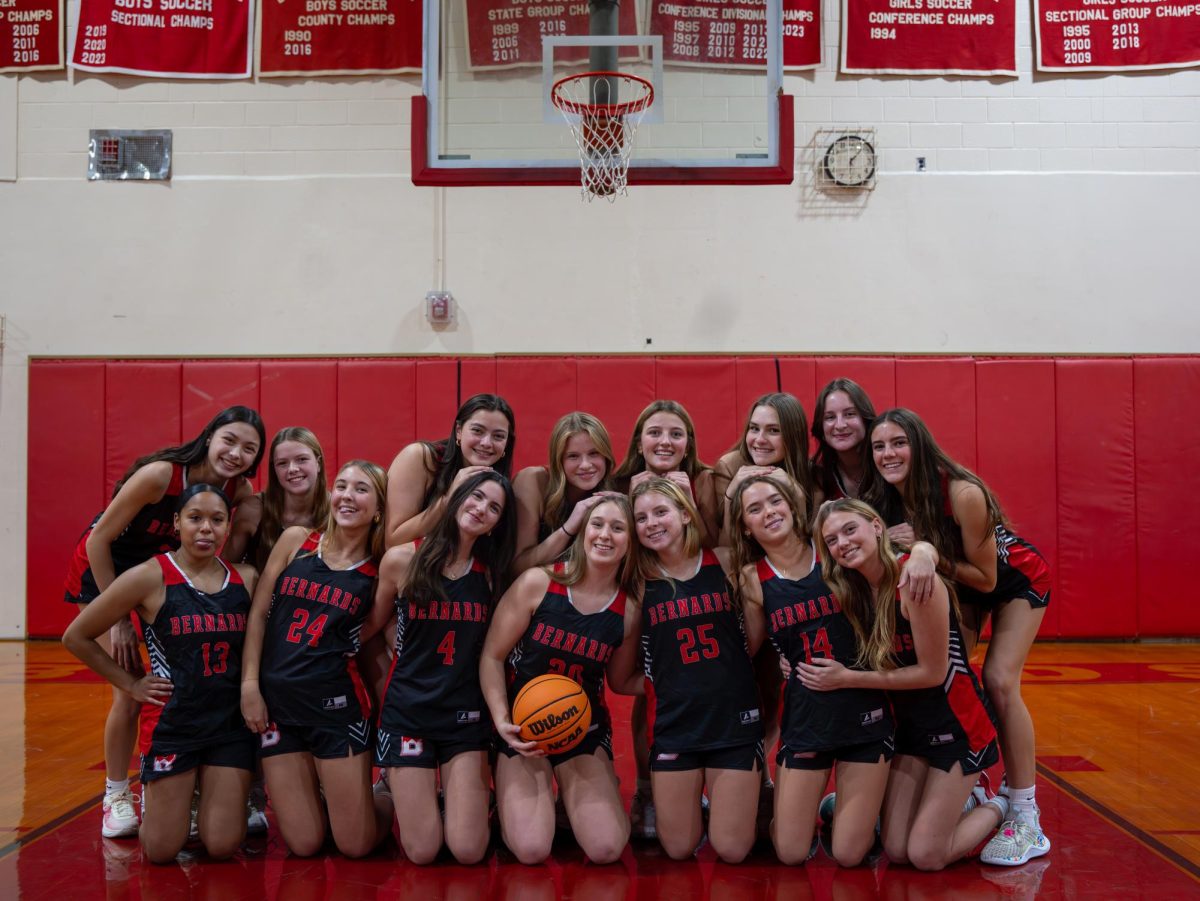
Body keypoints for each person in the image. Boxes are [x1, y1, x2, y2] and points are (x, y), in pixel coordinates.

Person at [63, 405, 265, 839]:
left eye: (249, 449)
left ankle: (197, 790)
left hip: (168, 571)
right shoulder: (161, 476)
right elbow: (99, 538)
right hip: (106, 569)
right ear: (210, 435)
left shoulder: (240, 489)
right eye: (229, 440)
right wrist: (118, 617)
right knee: (132, 688)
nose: (236, 453)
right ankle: (116, 793)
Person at [864, 408, 1052, 866]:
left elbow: (986, 580)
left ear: (920, 444)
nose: (888, 454)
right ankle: (962, 786)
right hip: (957, 583)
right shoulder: (883, 496)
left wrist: (927, 549)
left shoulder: (962, 492)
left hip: (1012, 582)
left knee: (999, 681)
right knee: (948, 678)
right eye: (879, 446)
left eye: (898, 443)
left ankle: (1025, 811)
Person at [802, 499, 1008, 872]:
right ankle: (953, 803)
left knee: (926, 856)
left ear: (876, 526)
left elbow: (931, 673)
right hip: (908, 732)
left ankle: (998, 804)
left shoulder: (913, 580)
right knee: (896, 850)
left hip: (957, 726)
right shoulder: (854, 589)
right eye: (831, 539)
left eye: (850, 530)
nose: (843, 543)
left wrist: (847, 679)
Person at [730, 475, 918, 866]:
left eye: (775, 501)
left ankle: (850, 810)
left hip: (864, 709)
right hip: (807, 715)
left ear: (792, 505)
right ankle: (840, 807)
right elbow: (748, 648)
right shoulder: (753, 577)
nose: (769, 512)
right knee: (790, 852)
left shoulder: (832, 549)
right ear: (745, 525)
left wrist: (926, 553)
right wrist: (783, 656)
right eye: (755, 508)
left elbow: (890, 556)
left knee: (851, 855)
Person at [240, 460, 392, 858]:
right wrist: (249, 684)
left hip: (336, 709)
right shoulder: (296, 541)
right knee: (305, 845)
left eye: (361, 489)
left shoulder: (378, 571)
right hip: (277, 707)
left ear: (378, 508)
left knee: (355, 846)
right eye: (341, 485)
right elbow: (258, 614)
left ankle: (391, 796)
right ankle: (333, 800)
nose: (346, 495)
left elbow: (368, 634)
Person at [480, 496, 640, 866]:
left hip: (581, 728)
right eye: (597, 524)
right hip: (523, 726)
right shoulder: (539, 582)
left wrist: (680, 680)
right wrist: (503, 722)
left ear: (630, 541)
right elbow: (492, 656)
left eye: (618, 528)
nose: (605, 535)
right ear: (583, 531)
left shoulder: (629, 610)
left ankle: (579, 795)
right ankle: (507, 803)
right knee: (532, 850)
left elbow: (619, 681)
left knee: (607, 849)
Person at [368, 470, 517, 864]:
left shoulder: (492, 578)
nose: (481, 508)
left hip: (463, 715)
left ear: (497, 524)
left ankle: (463, 802)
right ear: (455, 496)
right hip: (408, 713)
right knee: (422, 852)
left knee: (468, 851)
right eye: (476, 497)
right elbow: (374, 622)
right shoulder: (401, 559)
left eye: (494, 507)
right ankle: (387, 784)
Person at [621, 477, 764, 864]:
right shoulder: (638, 585)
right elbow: (619, 679)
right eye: (641, 517)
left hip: (732, 723)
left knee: (732, 851)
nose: (651, 522)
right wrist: (668, 683)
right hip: (675, 726)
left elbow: (752, 642)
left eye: (661, 512)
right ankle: (697, 800)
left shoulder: (727, 561)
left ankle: (736, 796)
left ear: (686, 513)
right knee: (679, 849)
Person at [612, 399, 718, 835]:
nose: (665, 441)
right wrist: (631, 499)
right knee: (648, 687)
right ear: (639, 440)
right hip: (641, 586)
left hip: (696, 587)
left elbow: (715, 541)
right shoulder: (621, 482)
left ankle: (743, 777)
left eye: (676, 433)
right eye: (655, 432)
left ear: (689, 443)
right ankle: (645, 788)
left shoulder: (705, 479)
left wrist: (686, 498)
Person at [712, 392, 816, 779]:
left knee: (777, 689)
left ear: (791, 437)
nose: (760, 439)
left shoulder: (806, 474)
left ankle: (767, 775)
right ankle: (734, 771)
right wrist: (731, 495)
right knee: (740, 680)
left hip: (790, 591)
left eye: (773, 431)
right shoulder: (729, 465)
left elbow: (806, 541)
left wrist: (794, 493)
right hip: (741, 586)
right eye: (754, 428)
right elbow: (724, 544)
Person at [385, 394, 516, 548]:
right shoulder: (420, 458)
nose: (487, 443)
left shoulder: (498, 485)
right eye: (478, 431)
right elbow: (392, 542)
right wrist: (448, 499)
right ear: (459, 431)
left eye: (498, 436)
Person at [512, 411, 620, 573]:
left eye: (594, 453)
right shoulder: (533, 481)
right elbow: (518, 567)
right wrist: (569, 527)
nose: (585, 465)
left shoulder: (612, 493)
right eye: (573, 456)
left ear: (606, 456)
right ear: (559, 461)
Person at [225, 427, 330, 569]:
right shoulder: (253, 510)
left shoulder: (337, 510)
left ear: (318, 463)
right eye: (282, 463)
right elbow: (223, 571)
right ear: (274, 469)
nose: (292, 469)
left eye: (302, 459)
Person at [811, 379, 877, 502]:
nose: (840, 425)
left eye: (849, 414)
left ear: (865, 419)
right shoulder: (815, 477)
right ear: (821, 428)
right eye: (830, 417)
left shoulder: (887, 464)